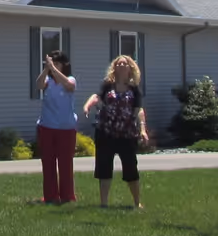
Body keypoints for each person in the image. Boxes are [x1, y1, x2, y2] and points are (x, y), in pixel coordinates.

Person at [83, 54, 149, 209]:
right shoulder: (107, 85)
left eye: (124, 63)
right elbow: (96, 97)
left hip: (126, 134)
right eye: (118, 63)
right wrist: (87, 106)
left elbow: (138, 110)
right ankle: (104, 203)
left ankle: (136, 202)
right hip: (106, 132)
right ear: (114, 67)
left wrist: (143, 129)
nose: (121, 65)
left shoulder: (134, 89)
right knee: (104, 168)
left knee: (131, 168)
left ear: (130, 67)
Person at [34, 49, 78, 205]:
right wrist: (47, 69)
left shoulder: (71, 79)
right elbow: (38, 85)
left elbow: (69, 86)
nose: (54, 65)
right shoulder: (48, 81)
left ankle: (67, 196)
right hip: (47, 127)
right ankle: (50, 196)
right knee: (48, 163)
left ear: (64, 65)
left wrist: (53, 69)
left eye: (57, 63)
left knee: (65, 163)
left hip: (66, 129)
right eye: (53, 62)